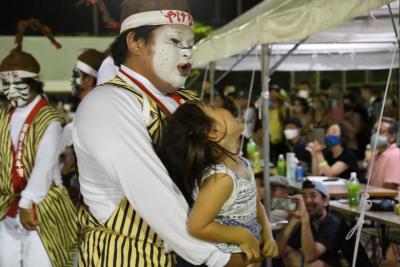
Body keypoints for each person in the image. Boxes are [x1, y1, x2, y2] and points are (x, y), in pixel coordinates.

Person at [72, 0, 245, 266]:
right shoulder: (106, 102)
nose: (187, 53)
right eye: (175, 41)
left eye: (190, 43)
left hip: (190, 252)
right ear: (136, 43)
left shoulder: (186, 100)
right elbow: (149, 188)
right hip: (126, 255)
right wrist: (218, 257)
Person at [158, 101, 278, 265]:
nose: (221, 108)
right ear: (214, 132)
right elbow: (198, 226)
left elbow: (255, 203)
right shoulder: (220, 179)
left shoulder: (242, 163)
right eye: (213, 109)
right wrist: (244, 236)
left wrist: (267, 233)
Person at [0, 45, 77, 265]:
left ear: (33, 82)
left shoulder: (49, 118)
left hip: (40, 206)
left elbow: (44, 166)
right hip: (8, 206)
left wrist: (27, 202)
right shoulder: (4, 114)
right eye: (7, 84)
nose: (11, 90)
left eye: (18, 84)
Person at [276, 180, 343, 267]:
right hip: (321, 262)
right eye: (304, 197)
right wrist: (292, 222)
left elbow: (310, 257)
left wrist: (304, 219)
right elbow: (276, 253)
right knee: (290, 256)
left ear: (325, 201)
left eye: (313, 195)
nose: (308, 201)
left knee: (297, 260)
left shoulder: (333, 223)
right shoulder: (309, 222)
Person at [369, 117, 400, 189]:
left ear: (392, 137)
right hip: (374, 197)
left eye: (380, 132)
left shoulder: (396, 155)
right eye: (375, 131)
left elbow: (390, 187)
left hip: (389, 198)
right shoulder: (375, 154)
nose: (375, 134)